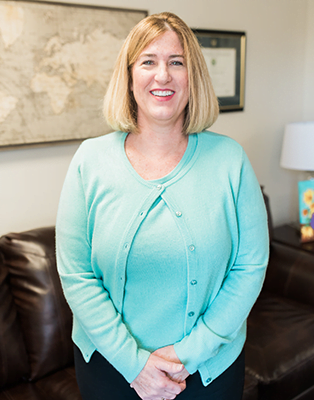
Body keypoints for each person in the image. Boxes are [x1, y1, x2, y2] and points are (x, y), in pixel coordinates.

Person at [56, 11, 269, 400]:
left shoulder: (230, 160)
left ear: (194, 76)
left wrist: (189, 354)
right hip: (109, 368)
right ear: (130, 75)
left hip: (207, 370)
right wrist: (134, 364)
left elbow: (250, 266)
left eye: (177, 62)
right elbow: (76, 275)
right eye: (148, 62)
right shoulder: (89, 161)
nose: (163, 75)